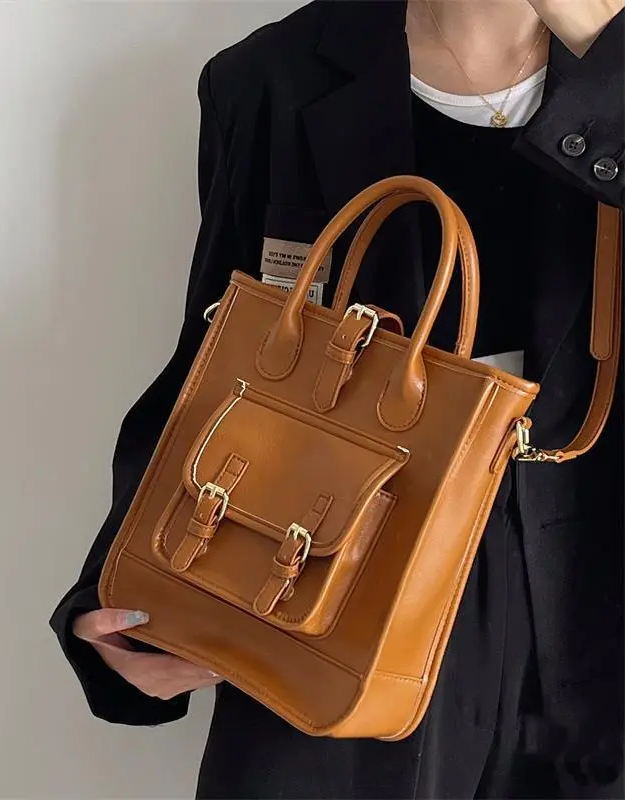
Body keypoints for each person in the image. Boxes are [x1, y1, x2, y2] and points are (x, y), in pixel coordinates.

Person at [50, 1, 625, 797]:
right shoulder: (272, 79)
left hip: (593, 597)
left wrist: (609, 55)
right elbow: (225, 360)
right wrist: (126, 597)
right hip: (333, 573)